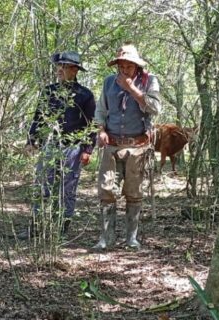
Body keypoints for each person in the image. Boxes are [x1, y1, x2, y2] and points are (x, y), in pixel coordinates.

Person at [19, 51, 96, 239]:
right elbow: (38, 118)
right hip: (50, 146)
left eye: (65, 66)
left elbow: (91, 125)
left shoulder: (85, 95)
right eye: (58, 66)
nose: (60, 69)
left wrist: (87, 150)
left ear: (75, 70)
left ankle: (61, 229)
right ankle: (36, 227)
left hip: (73, 148)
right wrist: (32, 141)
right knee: (41, 186)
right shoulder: (49, 91)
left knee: (67, 189)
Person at [93, 44, 161, 250]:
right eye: (120, 67)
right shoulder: (108, 83)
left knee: (134, 192)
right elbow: (101, 110)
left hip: (138, 146)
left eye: (128, 67)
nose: (123, 71)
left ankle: (131, 238)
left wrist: (132, 89)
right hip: (112, 145)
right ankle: (106, 238)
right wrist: (101, 130)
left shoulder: (150, 81)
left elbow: (155, 108)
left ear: (136, 66)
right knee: (106, 191)